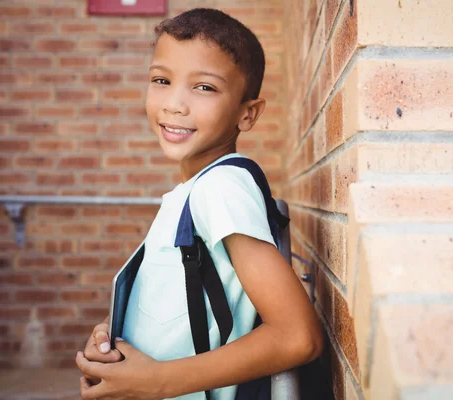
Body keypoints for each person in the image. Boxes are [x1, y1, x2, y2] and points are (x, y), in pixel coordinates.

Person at [75, 8, 323, 400]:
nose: (175, 104)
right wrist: (114, 337)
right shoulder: (195, 190)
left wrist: (157, 382)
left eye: (204, 87)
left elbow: (298, 336)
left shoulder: (221, 188)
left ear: (248, 113)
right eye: (161, 80)